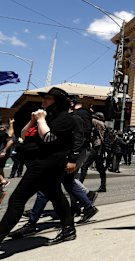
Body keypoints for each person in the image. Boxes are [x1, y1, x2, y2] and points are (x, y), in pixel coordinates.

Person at [0, 87, 77, 246]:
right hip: (41, 162)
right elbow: (23, 135)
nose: (44, 101)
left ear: (57, 102)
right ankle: (68, 229)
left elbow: (49, 138)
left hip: (46, 163)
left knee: (17, 200)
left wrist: (41, 120)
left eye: (48, 98)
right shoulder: (48, 116)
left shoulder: (65, 118)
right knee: (55, 194)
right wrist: (33, 120)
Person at [79, 112, 107, 192]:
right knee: (100, 168)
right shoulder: (102, 124)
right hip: (99, 147)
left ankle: (79, 185)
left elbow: (91, 120)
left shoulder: (98, 122)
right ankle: (103, 186)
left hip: (98, 147)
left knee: (85, 166)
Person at [0, 120, 14, 190]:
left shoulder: (2, 133)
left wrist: (4, 151)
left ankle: (3, 181)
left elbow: (10, 141)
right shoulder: (4, 133)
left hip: (2, 153)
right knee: (0, 169)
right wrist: (11, 124)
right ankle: (2, 184)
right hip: (3, 153)